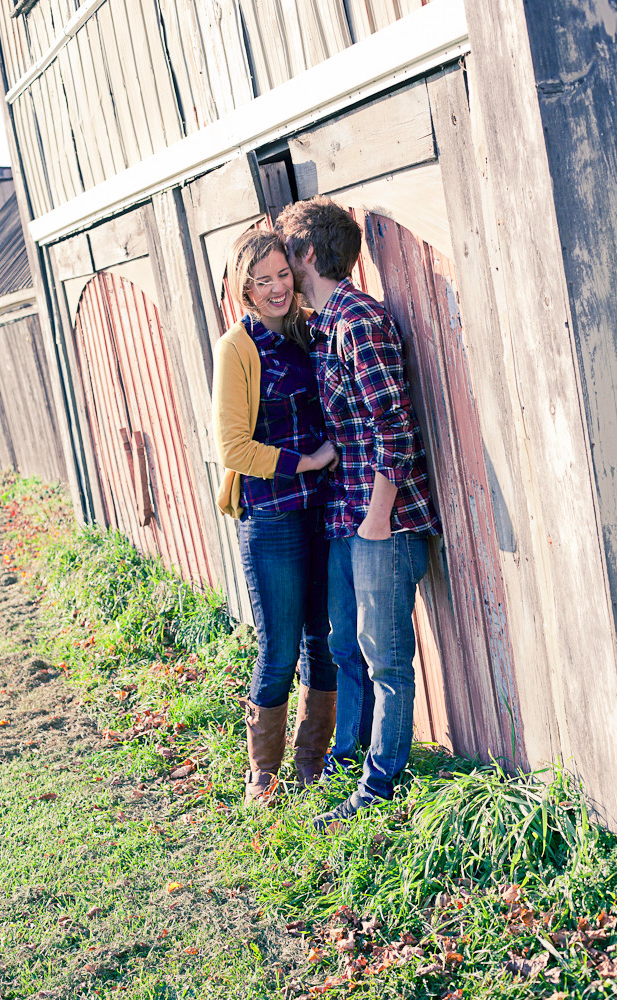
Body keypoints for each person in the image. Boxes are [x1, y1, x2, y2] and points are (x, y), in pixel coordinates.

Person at [275, 197, 441, 829]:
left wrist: (377, 515)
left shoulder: (358, 322)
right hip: (348, 518)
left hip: (383, 522)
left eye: (288, 257)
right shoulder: (324, 326)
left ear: (309, 254)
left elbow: (393, 423)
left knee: (385, 657)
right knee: (347, 644)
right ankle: (347, 762)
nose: (285, 274)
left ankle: (381, 786)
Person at [212, 229, 339, 805]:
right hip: (272, 518)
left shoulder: (312, 332)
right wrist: (306, 461)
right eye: (262, 281)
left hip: (325, 513)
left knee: (325, 639)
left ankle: (313, 763)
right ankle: (263, 773)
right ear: (246, 290)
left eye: (282, 275)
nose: (277, 289)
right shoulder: (237, 348)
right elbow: (233, 449)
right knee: (280, 648)